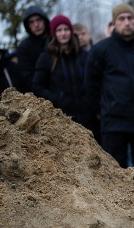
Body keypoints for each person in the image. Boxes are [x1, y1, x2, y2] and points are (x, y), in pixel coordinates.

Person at [84, 3, 134, 168]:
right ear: (114, 23)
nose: (127, 22)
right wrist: (101, 110)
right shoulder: (101, 49)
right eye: (122, 19)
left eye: (130, 18)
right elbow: (90, 85)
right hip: (114, 123)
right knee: (115, 170)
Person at [33, 15, 99, 143]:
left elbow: (94, 82)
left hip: (89, 119)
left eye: (66, 29)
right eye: (59, 30)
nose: (63, 33)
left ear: (71, 32)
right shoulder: (46, 58)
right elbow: (37, 86)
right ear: (54, 33)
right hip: (63, 120)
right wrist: (58, 98)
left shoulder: (84, 56)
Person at [16, 5, 50, 93]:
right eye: (31, 22)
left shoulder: (55, 41)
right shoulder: (24, 47)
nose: (36, 25)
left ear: (45, 21)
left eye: (39, 20)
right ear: (28, 26)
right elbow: (27, 78)